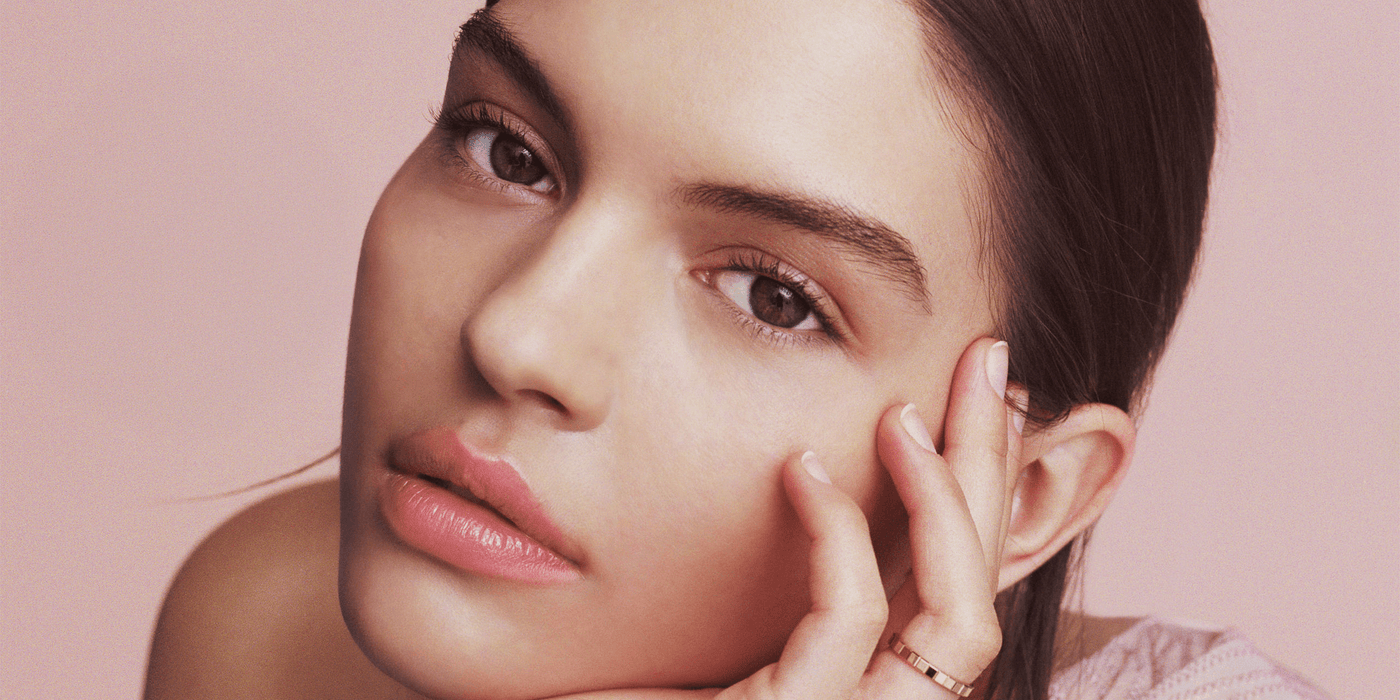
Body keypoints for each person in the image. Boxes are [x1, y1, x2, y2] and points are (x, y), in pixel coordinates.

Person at [142, 0, 1329, 698]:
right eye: (507, 152)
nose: (516, 334)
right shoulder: (269, 627)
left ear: (1017, 492)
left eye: (770, 295)